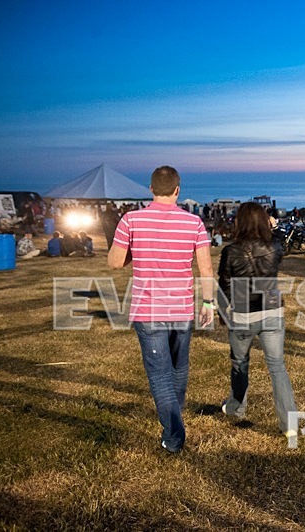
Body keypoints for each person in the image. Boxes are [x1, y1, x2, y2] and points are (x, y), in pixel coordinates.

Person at [108, 165, 214, 454]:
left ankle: (174, 436)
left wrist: (135, 252)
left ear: (151, 189)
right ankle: (174, 415)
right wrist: (208, 303)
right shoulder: (194, 223)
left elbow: (115, 262)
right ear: (178, 190)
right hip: (181, 309)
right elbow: (205, 269)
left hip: (149, 310)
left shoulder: (131, 220)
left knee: (160, 375)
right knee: (178, 368)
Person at [217, 202, 297, 435]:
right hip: (272, 309)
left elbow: (224, 285)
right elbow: (281, 245)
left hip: (244, 312)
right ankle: (289, 424)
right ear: (264, 220)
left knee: (240, 363)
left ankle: (236, 407)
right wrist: (274, 225)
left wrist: (223, 312)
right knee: (277, 367)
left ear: (239, 221)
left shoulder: (231, 251)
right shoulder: (274, 246)